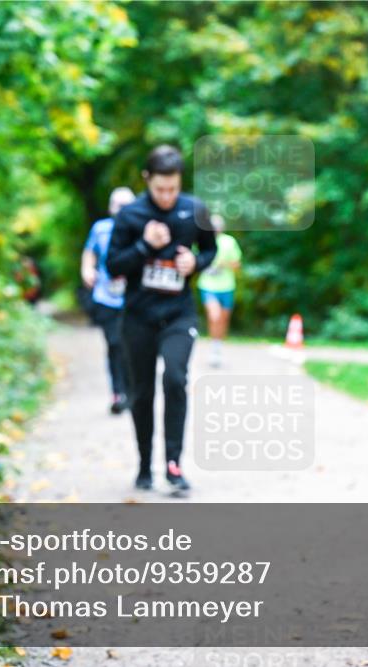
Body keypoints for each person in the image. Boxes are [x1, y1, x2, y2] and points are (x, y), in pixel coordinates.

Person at [106, 145, 217, 494]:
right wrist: (144, 246)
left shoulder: (195, 209)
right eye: (160, 189)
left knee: (174, 378)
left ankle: (173, 465)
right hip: (138, 317)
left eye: (173, 188)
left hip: (178, 314)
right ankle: (144, 466)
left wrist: (195, 264)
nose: (167, 196)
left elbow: (210, 249)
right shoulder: (130, 215)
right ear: (146, 180)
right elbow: (113, 265)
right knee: (141, 393)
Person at [82, 187, 136, 415]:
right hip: (106, 297)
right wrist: (87, 270)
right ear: (111, 207)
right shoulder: (101, 228)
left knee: (131, 345)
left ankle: (133, 392)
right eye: (118, 204)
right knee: (114, 343)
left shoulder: (141, 227)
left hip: (134, 298)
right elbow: (89, 251)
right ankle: (117, 393)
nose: (121, 209)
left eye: (126, 205)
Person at [197, 214, 242, 368]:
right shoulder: (202, 241)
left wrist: (224, 264)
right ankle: (214, 348)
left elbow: (237, 264)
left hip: (227, 286)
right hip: (208, 285)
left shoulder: (229, 242)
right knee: (214, 316)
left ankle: (217, 346)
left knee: (223, 319)